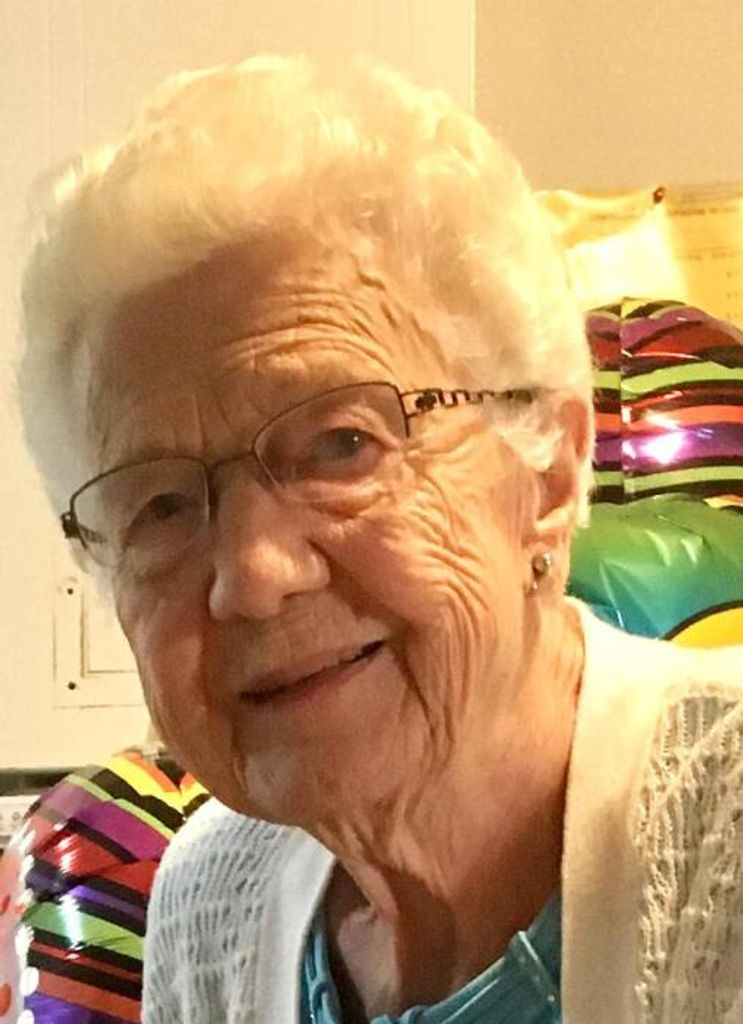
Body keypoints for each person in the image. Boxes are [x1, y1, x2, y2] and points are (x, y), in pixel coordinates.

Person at [17, 55, 743, 1024]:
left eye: (341, 443)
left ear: (548, 467)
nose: (253, 575)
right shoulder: (209, 901)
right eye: (160, 506)